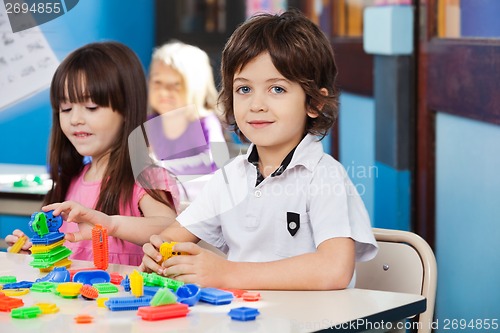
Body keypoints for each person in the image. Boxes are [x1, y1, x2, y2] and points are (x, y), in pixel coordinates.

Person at [157, 9, 378, 290]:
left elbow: (334, 270)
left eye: (277, 89)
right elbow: (172, 238)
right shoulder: (229, 178)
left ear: (314, 103)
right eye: (244, 89)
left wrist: (226, 273)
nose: (256, 104)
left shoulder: (324, 177)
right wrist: (160, 253)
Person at [5, 42, 179, 266]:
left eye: (91, 107)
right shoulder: (72, 179)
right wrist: (39, 254)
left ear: (126, 109)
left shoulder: (145, 175)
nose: (75, 118)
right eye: (65, 108)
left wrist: (111, 224)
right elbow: (70, 259)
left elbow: (171, 229)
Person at [144, 41, 229, 203]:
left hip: (199, 203)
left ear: (196, 87)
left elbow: (216, 158)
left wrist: (164, 167)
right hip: (165, 200)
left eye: (176, 85)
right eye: (157, 82)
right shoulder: (150, 124)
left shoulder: (205, 122)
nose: (164, 91)